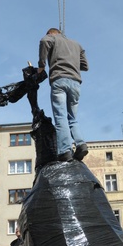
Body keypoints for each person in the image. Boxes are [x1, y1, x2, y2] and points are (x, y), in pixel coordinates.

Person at [37, 27, 89, 162]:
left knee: (60, 117)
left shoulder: (51, 38)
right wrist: (71, 62)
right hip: (76, 83)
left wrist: (41, 66)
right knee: (73, 117)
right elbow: (85, 66)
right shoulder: (76, 45)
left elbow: (44, 41)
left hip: (59, 80)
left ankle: (65, 150)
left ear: (51, 33)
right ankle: (81, 144)